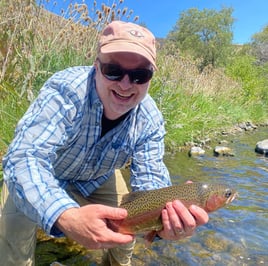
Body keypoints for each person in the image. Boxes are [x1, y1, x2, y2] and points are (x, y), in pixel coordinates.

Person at [0, 20, 209, 266]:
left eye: (140, 75)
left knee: (127, 231)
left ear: (151, 78)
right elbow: (25, 158)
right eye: (113, 70)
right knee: (10, 247)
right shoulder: (66, 90)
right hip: (44, 173)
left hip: (98, 178)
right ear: (96, 66)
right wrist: (65, 215)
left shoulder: (150, 119)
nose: (125, 84)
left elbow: (150, 184)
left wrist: (165, 223)